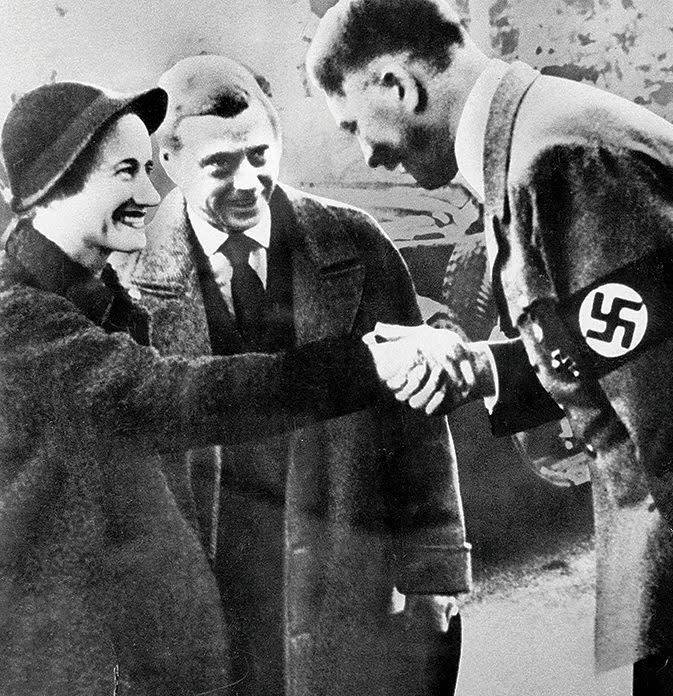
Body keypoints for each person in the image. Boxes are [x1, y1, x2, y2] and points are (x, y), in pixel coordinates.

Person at [307, 1, 673, 693]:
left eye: (351, 125)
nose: (366, 154)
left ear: (396, 85)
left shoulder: (560, 158)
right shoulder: (540, 133)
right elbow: (624, 334)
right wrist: (480, 365)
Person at [0, 80, 396, 696]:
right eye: (127, 172)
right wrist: (371, 364)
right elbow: (168, 394)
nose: (152, 193)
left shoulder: (101, 303)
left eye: (151, 169)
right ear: (51, 186)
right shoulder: (16, 319)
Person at [114, 54, 470, 696]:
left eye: (259, 154)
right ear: (168, 162)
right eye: (219, 166)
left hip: (338, 569)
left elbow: (417, 422)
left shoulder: (357, 245)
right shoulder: (127, 281)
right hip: (212, 585)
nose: (248, 181)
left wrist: (434, 567)